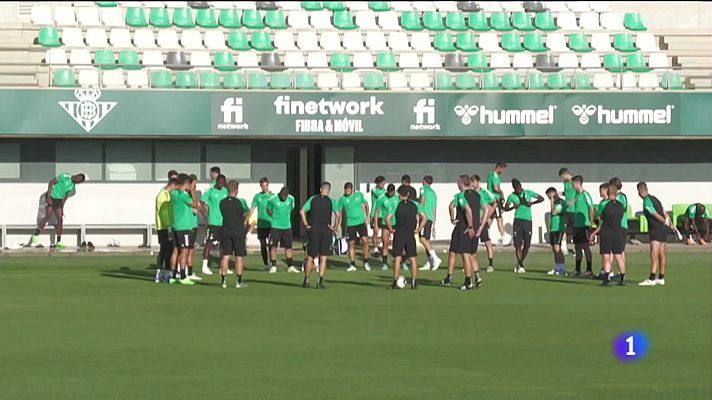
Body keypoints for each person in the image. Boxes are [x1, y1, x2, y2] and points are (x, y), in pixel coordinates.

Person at [300, 182, 340, 289]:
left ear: (320, 189)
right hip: (326, 230)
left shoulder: (313, 199)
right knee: (323, 257)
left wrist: (306, 225)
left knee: (310, 257)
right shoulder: (332, 201)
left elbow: (302, 211)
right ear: (329, 190)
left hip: (314, 229)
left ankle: (306, 280)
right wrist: (334, 227)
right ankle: (319, 281)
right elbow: (338, 215)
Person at [30, 173, 86, 249]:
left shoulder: (72, 187)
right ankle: (35, 235)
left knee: (60, 219)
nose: (78, 182)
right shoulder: (65, 176)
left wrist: (62, 208)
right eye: (78, 180)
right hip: (51, 196)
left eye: (80, 182)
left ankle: (58, 241)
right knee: (48, 216)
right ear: (77, 176)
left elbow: (65, 198)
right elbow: (51, 182)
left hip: (58, 200)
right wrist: (49, 197)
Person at [387, 185, 427, 289]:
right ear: (408, 194)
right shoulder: (415, 205)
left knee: (397, 258)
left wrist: (391, 229)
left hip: (399, 233)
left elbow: (387, 219)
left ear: (399, 195)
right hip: (410, 233)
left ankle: (395, 281)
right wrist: (418, 230)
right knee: (412, 258)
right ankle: (413, 282)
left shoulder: (396, 204)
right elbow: (425, 218)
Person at [441, 175, 478, 288]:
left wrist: (453, 219)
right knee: (470, 254)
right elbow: (485, 208)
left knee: (460, 253)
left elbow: (454, 207)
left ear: (462, 184)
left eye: (458, 183)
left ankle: (466, 280)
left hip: (463, 228)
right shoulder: (477, 195)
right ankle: (475, 277)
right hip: (474, 228)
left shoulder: (460, 196)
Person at [589, 184, 627, 287]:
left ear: (608, 193)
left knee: (606, 256)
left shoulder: (604, 204)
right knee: (618, 256)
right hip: (618, 232)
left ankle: (607, 279)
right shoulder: (620, 205)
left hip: (607, 232)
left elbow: (599, 215)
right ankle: (623, 278)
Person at [637, 182, 674, 286]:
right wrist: (669, 223)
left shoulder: (647, 201)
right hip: (663, 229)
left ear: (639, 191)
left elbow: (655, 213)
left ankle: (652, 279)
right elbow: (664, 212)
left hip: (656, 229)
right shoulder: (655, 198)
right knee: (662, 254)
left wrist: (665, 222)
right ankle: (661, 278)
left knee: (654, 254)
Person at [503, 179, 544, 274]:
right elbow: (505, 208)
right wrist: (513, 207)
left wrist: (532, 203)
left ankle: (519, 262)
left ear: (521, 186)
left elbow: (541, 198)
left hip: (528, 220)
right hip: (518, 220)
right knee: (518, 245)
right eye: (516, 188)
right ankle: (521, 264)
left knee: (527, 245)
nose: (518, 189)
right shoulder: (512, 196)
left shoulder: (528, 193)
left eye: (519, 187)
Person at [219, 180, 250, 289]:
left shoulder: (222, 202)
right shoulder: (239, 202)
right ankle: (238, 282)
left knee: (225, 256)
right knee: (239, 257)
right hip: (238, 231)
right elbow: (242, 214)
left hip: (226, 230)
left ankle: (223, 282)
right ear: (236, 190)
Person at [170, 174, 199, 285]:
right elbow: (195, 204)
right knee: (184, 251)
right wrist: (192, 191)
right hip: (184, 227)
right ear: (186, 184)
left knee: (176, 250)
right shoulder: (184, 196)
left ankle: (172, 276)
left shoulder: (173, 194)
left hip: (175, 226)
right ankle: (182, 276)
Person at [338, 182, 371, 272]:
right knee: (351, 243)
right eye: (345, 190)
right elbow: (339, 212)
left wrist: (367, 217)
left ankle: (366, 261)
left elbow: (366, 205)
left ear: (352, 189)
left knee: (365, 241)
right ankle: (352, 264)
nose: (346, 192)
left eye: (348, 190)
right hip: (350, 224)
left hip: (361, 222)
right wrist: (337, 224)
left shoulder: (359, 195)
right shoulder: (342, 199)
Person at [267, 186, 299, 273]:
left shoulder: (291, 199)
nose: (284, 197)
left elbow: (291, 209)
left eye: (285, 196)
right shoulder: (273, 199)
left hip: (287, 226)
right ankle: (273, 266)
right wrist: (275, 218)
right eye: (282, 195)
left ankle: (290, 266)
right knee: (273, 246)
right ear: (280, 193)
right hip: (275, 226)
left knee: (288, 246)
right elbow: (269, 210)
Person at [200, 175, 228, 276]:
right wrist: (205, 216)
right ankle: (204, 266)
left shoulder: (226, 191)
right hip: (213, 222)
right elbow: (201, 202)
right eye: (220, 182)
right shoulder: (210, 191)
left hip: (223, 222)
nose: (221, 184)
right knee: (209, 243)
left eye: (223, 182)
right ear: (217, 182)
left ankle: (223, 266)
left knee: (223, 244)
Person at [248, 177, 276, 271]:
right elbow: (252, 208)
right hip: (261, 224)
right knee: (263, 244)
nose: (264, 187)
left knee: (272, 245)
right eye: (262, 186)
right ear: (260, 186)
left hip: (271, 223)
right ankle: (265, 264)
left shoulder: (273, 196)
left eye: (266, 185)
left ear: (268, 184)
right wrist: (248, 219)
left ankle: (273, 264)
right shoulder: (257, 196)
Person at [155, 177, 177, 283]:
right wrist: (169, 228)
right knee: (166, 251)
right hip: (164, 227)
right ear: (172, 185)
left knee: (166, 250)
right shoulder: (163, 195)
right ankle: (162, 274)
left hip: (165, 226)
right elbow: (164, 212)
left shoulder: (166, 194)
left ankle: (163, 274)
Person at [472, 175, 496, 272]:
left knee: (487, 242)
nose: (472, 184)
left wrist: (487, 218)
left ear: (478, 182)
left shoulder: (484, 192)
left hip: (482, 221)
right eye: (471, 182)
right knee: (472, 243)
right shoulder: (471, 193)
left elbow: (494, 202)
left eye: (473, 182)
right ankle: (472, 263)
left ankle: (490, 264)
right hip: (473, 221)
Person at [572, 175, 594, 277]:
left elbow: (591, 208)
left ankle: (589, 270)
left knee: (585, 247)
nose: (572, 186)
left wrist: (590, 221)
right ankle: (577, 269)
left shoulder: (586, 194)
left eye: (573, 184)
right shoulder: (576, 195)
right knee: (577, 247)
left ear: (578, 183)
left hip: (584, 225)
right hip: (576, 225)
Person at [418, 175, 442, 271]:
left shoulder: (423, 189)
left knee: (422, 239)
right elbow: (434, 209)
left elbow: (422, 201)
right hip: (430, 218)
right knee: (426, 240)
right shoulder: (433, 193)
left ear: (423, 181)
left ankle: (435, 258)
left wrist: (418, 212)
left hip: (424, 217)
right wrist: (434, 223)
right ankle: (429, 262)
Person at [373, 184, 399, 271]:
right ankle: (384, 263)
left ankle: (402, 262)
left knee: (400, 245)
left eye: (392, 192)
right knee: (385, 244)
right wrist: (376, 225)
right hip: (385, 224)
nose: (390, 194)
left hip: (396, 223)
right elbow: (377, 212)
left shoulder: (397, 198)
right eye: (389, 192)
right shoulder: (382, 198)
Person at [545, 187, 567, 276]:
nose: (549, 198)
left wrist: (552, 201)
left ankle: (562, 268)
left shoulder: (560, 202)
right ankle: (557, 267)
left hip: (559, 228)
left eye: (549, 195)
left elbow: (553, 212)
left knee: (558, 249)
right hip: (553, 228)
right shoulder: (555, 203)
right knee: (554, 249)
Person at [487, 162, 509, 245]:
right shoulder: (495, 176)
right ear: (499, 167)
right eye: (503, 169)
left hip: (490, 199)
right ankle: (504, 238)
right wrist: (501, 192)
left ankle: (485, 238)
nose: (503, 171)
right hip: (495, 200)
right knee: (499, 218)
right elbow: (495, 187)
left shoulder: (490, 174)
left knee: (490, 218)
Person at [558, 168, 576, 256]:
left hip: (574, 210)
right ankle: (564, 248)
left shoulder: (574, 181)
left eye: (562, 177)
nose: (562, 179)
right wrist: (561, 193)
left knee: (575, 230)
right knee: (563, 228)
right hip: (566, 210)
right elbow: (567, 193)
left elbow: (578, 194)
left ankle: (578, 249)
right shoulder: (565, 183)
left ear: (565, 174)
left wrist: (572, 202)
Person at [186, 174, 201, 281]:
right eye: (194, 184)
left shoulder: (193, 194)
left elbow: (197, 207)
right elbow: (195, 207)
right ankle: (182, 271)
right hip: (188, 225)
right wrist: (192, 192)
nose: (195, 186)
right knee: (185, 250)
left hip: (193, 225)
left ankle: (189, 271)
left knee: (191, 250)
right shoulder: (186, 195)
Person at [370, 175, 387, 256]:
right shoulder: (374, 190)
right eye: (382, 183)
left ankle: (385, 246)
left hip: (383, 214)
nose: (383, 185)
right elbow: (381, 197)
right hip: (375, 213)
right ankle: (375, 248)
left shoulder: (384, 190)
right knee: (375, 232)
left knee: (386, 231)